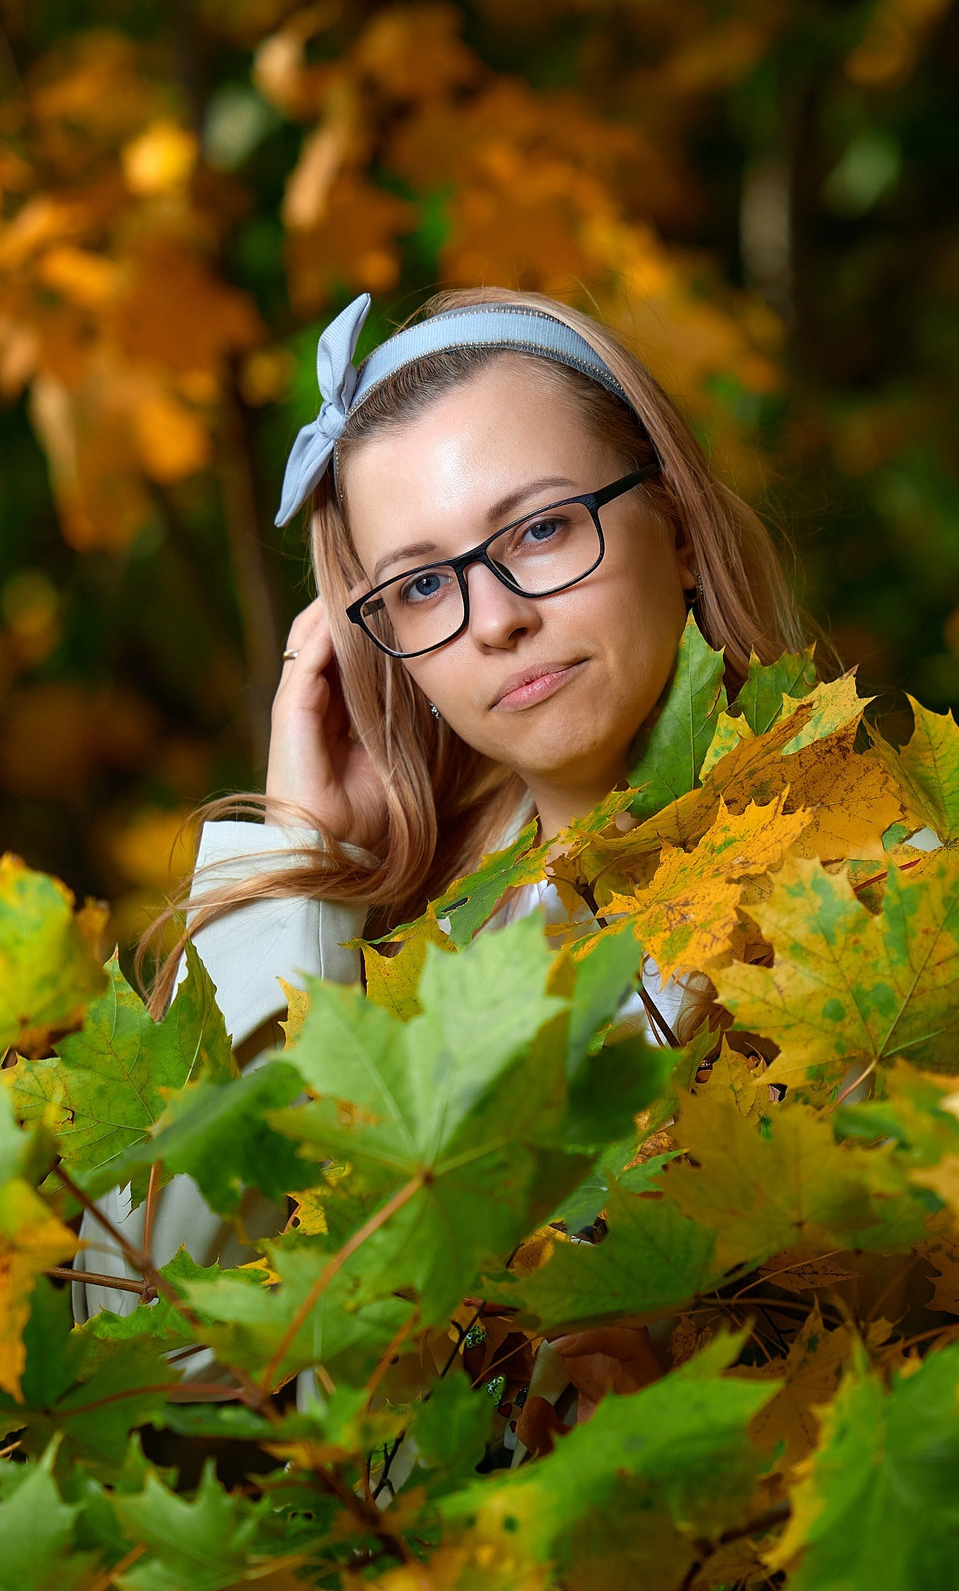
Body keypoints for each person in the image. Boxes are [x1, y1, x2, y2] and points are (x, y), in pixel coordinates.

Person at [73, 286, 803, 1451]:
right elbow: (153, 1338)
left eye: (541, 529)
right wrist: (298, 874)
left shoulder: (902, 875)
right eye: (420, 584)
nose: (494, 618)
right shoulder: (393, 955)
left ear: (670, 518)